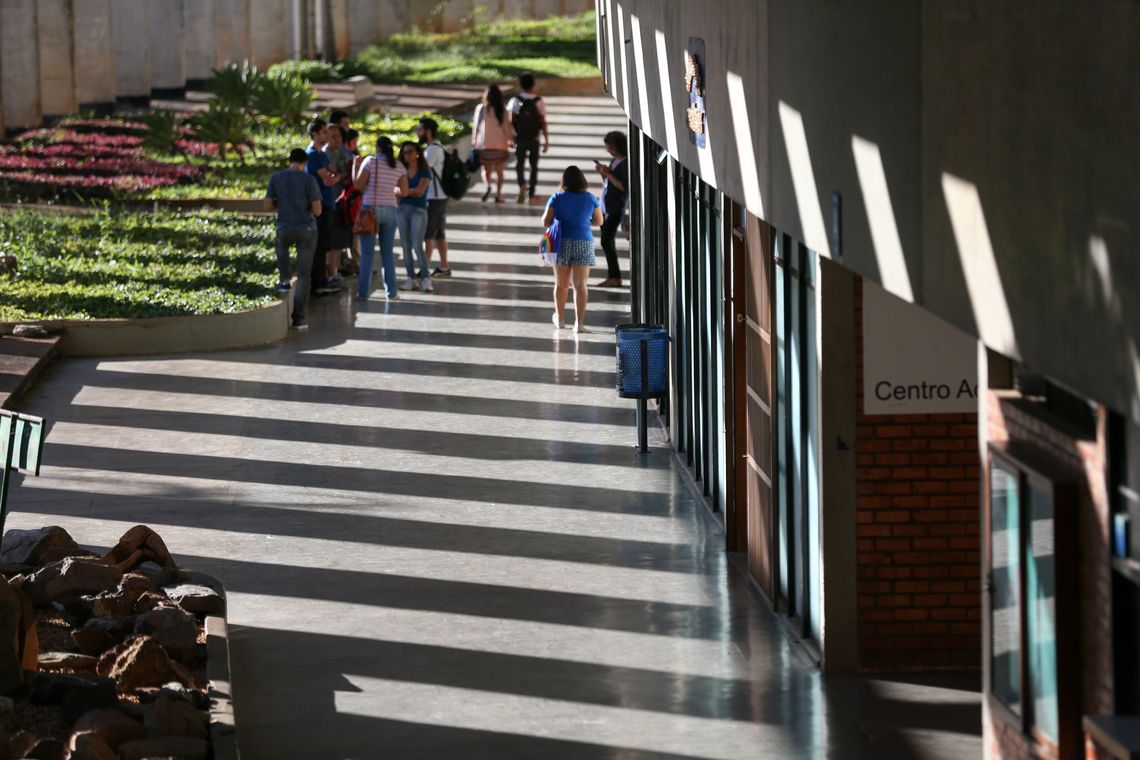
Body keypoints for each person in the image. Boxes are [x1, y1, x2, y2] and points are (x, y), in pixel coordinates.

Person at [265, 148, 322, 330]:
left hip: (285, 227)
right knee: (304, 275)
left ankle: (284, 279)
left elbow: (267, 205)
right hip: (306, 229)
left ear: (290, 161)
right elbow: (318, 210)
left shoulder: (276, 178)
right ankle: (299, 319)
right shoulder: (309, 179)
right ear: (305, 163)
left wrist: (281, 203)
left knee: (281, 244)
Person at [542, 165, 602, 332]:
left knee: (561, 284)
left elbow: (545, 221)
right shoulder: (590, 198)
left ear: (564, 181)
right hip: (583, 242)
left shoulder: (556, 198)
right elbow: (599, 221)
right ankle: (579, 324)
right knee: (580, 285)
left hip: (561, 242)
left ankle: (560, 319)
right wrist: (585, 221)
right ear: (583, 181)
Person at [351, 136, 404, 301]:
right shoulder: (399, 166)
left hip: (370, 210)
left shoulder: (370, 162)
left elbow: (358, 185)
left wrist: (355, 167)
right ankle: (392, 292)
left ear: (378, 148)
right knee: (387, 252)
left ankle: (363, 293)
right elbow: (404, 191)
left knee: (367, 254)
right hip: (391, 210)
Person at [305, 118, 341, 294]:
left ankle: (323, 280)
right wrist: (339, 177)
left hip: (326, 203)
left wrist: (333, 175)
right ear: (315, 134)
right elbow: (328, 179)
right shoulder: (313, 155)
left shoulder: (321, 154)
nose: (328, 135)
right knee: (319, 246)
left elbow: (331, 171)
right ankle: (318, 283)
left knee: (324, 245)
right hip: (319, 206)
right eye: (324, 132)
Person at [396, 141, 433, 293]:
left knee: (418, 245)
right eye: (404, 152)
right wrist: (407, 191)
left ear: (417, 153)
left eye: (410, 151)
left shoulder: (424, 170)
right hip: (402, 210)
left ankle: (425, 278)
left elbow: (420, 191)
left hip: (419, 210)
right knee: (405, 246)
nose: (407, 155)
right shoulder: (400, 170)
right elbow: (396, 190)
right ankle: (410, 278)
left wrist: (405, 192)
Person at [507, 72, 549, 205]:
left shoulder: (515, 100)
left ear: (521, 85)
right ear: (533, 84)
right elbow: (543, 122)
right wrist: (546, 140)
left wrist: (510, 137)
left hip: (520, 137)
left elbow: (511, 121)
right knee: (533, 166)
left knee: (519, 164)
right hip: (534, 138)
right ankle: (531, 194)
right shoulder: (539, 101)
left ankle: (522, 186)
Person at [594, 130, 629, 288]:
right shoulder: (615, 161)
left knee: (606, 241)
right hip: (606, 206)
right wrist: (603, 173)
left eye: (610, 147)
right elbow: (609, 182)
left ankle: (615, 277)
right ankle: (613, 276)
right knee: (607, 241)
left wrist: (608, 173)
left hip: (616, 208)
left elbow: (623, 186)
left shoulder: (625, 164)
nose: (608, 150)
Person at [418, 117, 451, 279]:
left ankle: (425, 269)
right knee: (439, 234)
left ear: (428, 132)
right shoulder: (436, 147)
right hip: (439, 196)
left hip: (434, 196)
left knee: (428, 234)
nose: (418, 133)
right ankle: (444, 267)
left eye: (420, 130)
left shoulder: (432, 150)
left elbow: (423, 169)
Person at [323, 125, 353, 288]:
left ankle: (334, 272)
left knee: (339, 241)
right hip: (330, 202)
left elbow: (349, 170)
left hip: (344, 203)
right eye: (333, 136)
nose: (337, 139)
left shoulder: (344, 151)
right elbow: (332, 175)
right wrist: (343, 174)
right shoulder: (325, 154)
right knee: (330, 242)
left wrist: (340, 174)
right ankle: (330, 273)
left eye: (339, 136)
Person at [472, 84, 513, 203]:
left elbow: (476, 127)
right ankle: (499, 194)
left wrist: (474, 142)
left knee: (486, 170)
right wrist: (510, 140)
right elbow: (507, 128)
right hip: (500, 145)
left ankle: (488, 186)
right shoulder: (503, 110)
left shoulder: (481, 108)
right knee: (499, 171)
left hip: (484, 145)